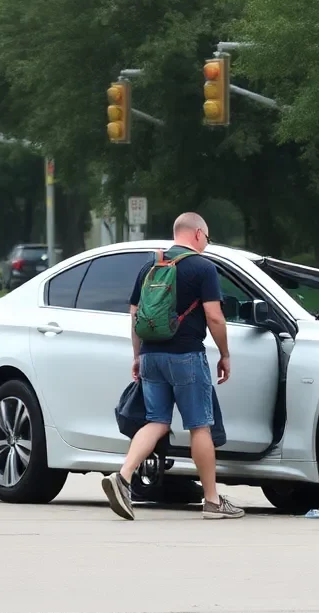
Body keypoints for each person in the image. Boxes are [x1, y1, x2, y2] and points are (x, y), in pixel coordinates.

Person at [102, 212, 244, 521]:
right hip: (186, 356)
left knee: (156, 421)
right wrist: (225, 354)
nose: (206, 244)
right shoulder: (203, 268)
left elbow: (135, 316)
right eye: (207, 238)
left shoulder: (150, 267)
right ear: (196, 235)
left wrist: (138, 356)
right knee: (199, 426)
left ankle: (123, 476)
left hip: (152, 355)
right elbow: (215, 317)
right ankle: (212, 500)